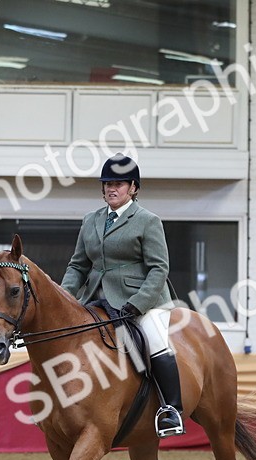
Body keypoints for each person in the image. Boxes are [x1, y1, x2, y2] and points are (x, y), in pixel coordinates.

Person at [61, 153, 185, 438]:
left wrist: (138, 303)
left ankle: (172, 410)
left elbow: (159, 268)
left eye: (118, 183)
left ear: (133, 188)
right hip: (98, 298)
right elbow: (78, 265)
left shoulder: (147, 221)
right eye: (107, 183)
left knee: (153, 339)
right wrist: (64, 298)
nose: (111, 189)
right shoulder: (90, 220)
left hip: (142, 300)